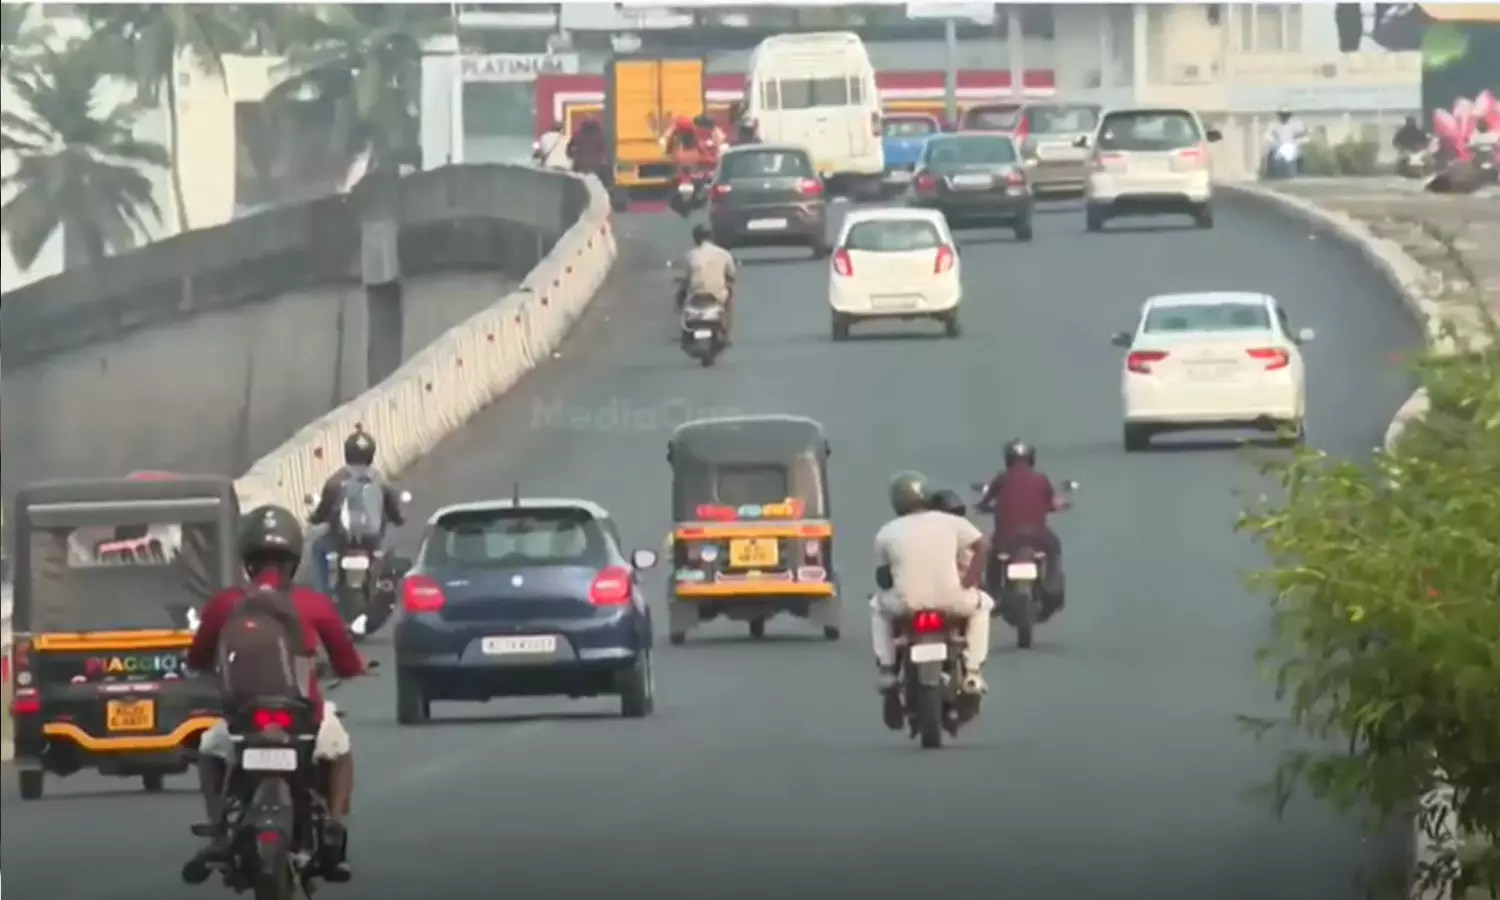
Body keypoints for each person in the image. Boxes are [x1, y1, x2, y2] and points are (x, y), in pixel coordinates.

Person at [184, 506, 368, 882]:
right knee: (339, 750)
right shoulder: (313, 603)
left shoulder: (224, 604)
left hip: (242, 719)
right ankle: (332, 827)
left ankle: (218, 829)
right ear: (295, 558)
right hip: (305, 717)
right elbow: (346, 661)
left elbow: (198, 658)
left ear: (246, 558)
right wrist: (352, 669)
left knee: (209, 750)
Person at [869, 472, 993, 731]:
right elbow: (983, 545)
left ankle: (889, 670)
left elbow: (883, 579)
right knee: (983, 605)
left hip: (908, 604)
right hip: (953, 600)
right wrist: (971, 579)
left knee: (877, 608)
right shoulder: (952, 522)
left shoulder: (886, 532)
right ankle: (972, 673)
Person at [975, 439, 1069, 616]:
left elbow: (984, 503)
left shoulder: (1001, 479)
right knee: (1054, 547)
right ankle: (1052, 584)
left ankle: (993, 594)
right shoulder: (1041, 479)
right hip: (1038, 535)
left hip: (1006, 537)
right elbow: (1052, 503)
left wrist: (983, 507)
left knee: (992, 556)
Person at [308, 430, 407, 595]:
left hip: (341, 541)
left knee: (318, 548)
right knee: (392, 552)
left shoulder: (335, 481)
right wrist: (399, 519)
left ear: (347, 453)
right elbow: (394, 512)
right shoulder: (380, 481)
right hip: (373, 541)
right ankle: (389, 591)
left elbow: (322, 512)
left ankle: (321, 594)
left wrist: (314, 518)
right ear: (371, 454)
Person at [674, 224, 737, 340]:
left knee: (679, 297)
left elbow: (683, 277)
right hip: (718, 296)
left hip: (694, 296)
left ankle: (684, 328)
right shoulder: (724, 254)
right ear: (711, 237)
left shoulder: (690, 255)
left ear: (695, 238)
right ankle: (726, 331)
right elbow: (732, 275)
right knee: (729, 297)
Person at [1262, 107, 1307, 176]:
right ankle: (1269, 173)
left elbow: (1302, 135)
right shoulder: (1274, 124)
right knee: (1269, 156)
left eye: (1286, 115)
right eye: (1282, 115)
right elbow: (1268, 135)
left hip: (1292, 146)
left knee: (1300, 157)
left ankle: (1300, 172)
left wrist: (1296, 143)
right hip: (1278, 146)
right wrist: (1274, 142)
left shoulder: (1296, 124)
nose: (1284, 117)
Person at [567, 119, 608, 184]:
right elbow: (606, 150)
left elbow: (569, 152)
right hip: (596, 166)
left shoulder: (577, 134)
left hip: (580, 166)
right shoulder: (600, 134)